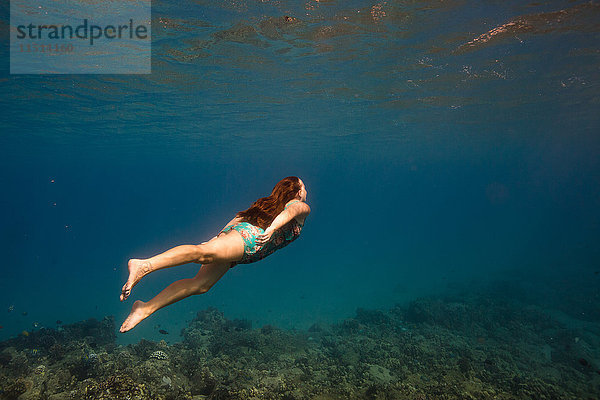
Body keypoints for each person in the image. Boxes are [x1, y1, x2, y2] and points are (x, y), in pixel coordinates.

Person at [119, 176, 310, 332]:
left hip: (242, 246)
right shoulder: (302, 207)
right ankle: (144, 265)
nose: (307, 191)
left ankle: (144, 308)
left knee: (201, 285)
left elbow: (240, 217)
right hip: (247, 241)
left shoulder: (269, 205)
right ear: (299, 192)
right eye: (304, 187)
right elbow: (291, 210)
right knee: (203, 254)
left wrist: (217, 236)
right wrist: (271, 229)